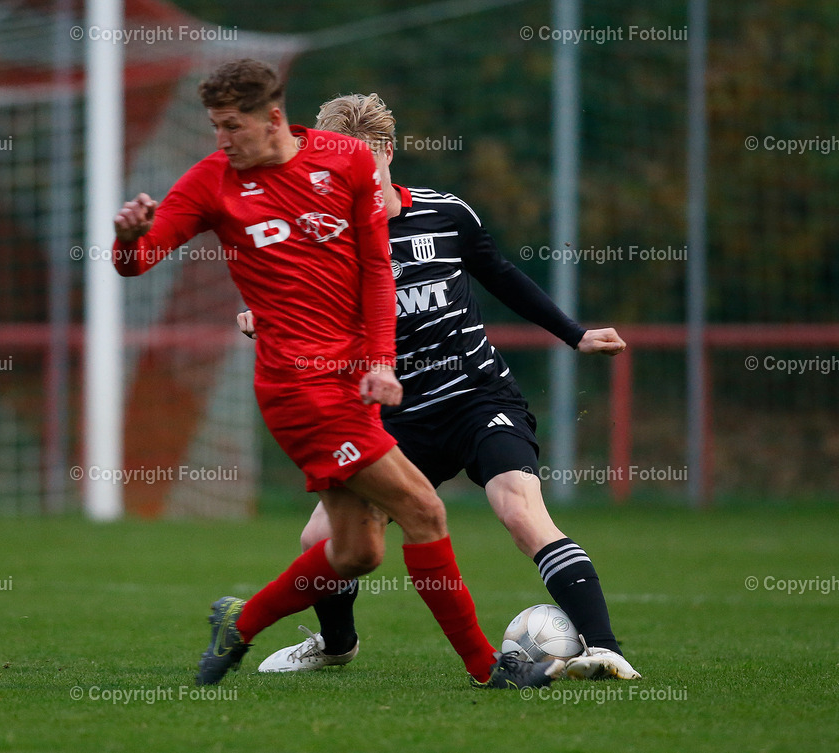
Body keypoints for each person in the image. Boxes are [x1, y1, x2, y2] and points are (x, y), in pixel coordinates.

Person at [111, 60, 561, 689]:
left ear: (273, 119)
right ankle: (489, 670)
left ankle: (239, 626)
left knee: (356, 551)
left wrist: (379, 362)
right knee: (426, 512)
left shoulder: (343, 160)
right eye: (214, 126)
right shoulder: (211, 182)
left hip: (355, 384)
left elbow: (378, 268)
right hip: (301, 390)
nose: (221, 141)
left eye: (231, 126)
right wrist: (127, 239)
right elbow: (139, 262)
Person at [240, 93, 640, 681]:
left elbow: (500, 273)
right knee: (320, 538)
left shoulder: (446, 213)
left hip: (476, 397)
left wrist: (573, 334)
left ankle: (604, 648)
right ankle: (336, 644)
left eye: (362, 169)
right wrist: (263, 316)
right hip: (395, 420)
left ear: (389, 156)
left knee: (520, 508)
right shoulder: (319, 241)